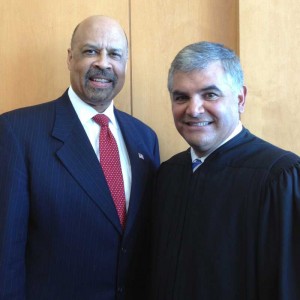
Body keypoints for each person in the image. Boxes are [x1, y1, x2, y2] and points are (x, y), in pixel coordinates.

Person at [0, 15, 160, 300]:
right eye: (90, 51)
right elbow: (6, 252)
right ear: (70, 57)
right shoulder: (18, 132)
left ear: (125, 64)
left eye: (114, 54)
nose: (103, 62)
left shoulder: (145, 138)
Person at [150, 41, 300, 300]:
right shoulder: (168, 175)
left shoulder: (279, 177)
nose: (193, 109)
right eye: (181, 97)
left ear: (240, 99)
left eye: (210, 95)